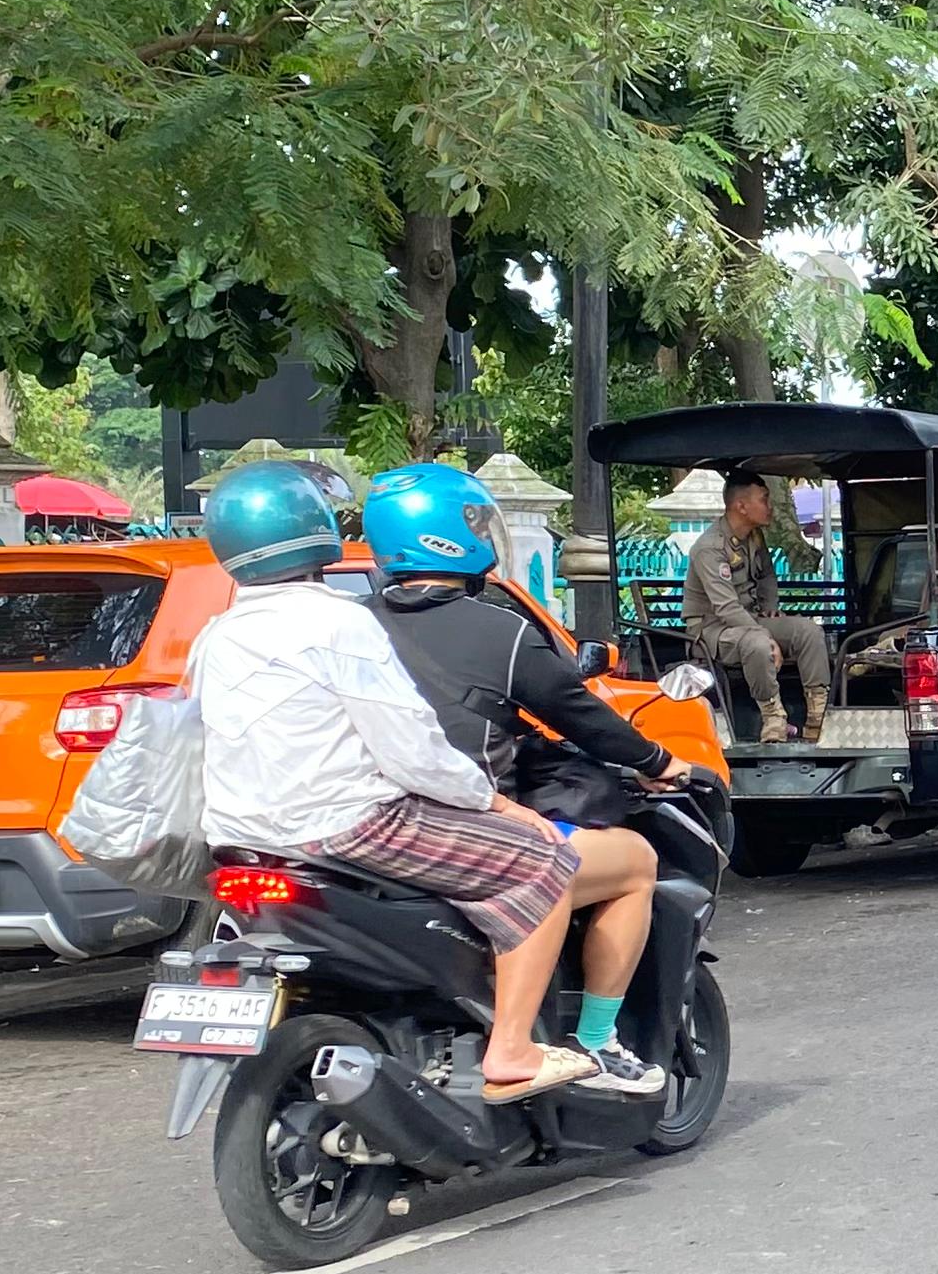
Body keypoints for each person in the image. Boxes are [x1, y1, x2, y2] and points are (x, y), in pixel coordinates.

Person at [186, 462, 604, 1102]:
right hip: (352, 828)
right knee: (546, 862)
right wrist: (493, 804)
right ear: (317, 532)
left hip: (243, 837)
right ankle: (513, 1049)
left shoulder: (216, 635)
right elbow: (413, 752)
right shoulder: (340, 623)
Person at [364, 464, 682, 1096]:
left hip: (352, 825)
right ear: (455, 535)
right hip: (455, 827)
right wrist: (657, 762)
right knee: (635, 862)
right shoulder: (501, 633)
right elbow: (583, 715)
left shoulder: (353, 625)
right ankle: (596, 1042)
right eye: (477, 521)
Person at [683, 476, 833, 743]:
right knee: (757, 644)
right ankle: (773, 717)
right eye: (764, 499)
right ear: (741, 506)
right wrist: (765, 635)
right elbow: (727, 608)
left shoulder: (753, 536)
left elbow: (766, 577)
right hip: (713, 630)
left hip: (749, 620)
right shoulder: (710, 548)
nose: (770, 506)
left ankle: (818, 717)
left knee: (808, 631)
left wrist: (770, 608)